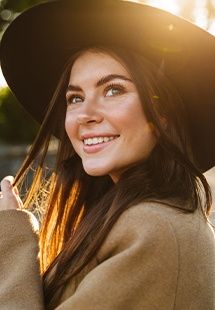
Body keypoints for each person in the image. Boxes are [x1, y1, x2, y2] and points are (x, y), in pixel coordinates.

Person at [0, 0, 215, 309]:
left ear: (163, 111)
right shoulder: (130, 216)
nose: (84, 114)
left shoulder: (154, 230)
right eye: (74, 97)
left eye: (113, 90)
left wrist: (11, 240)